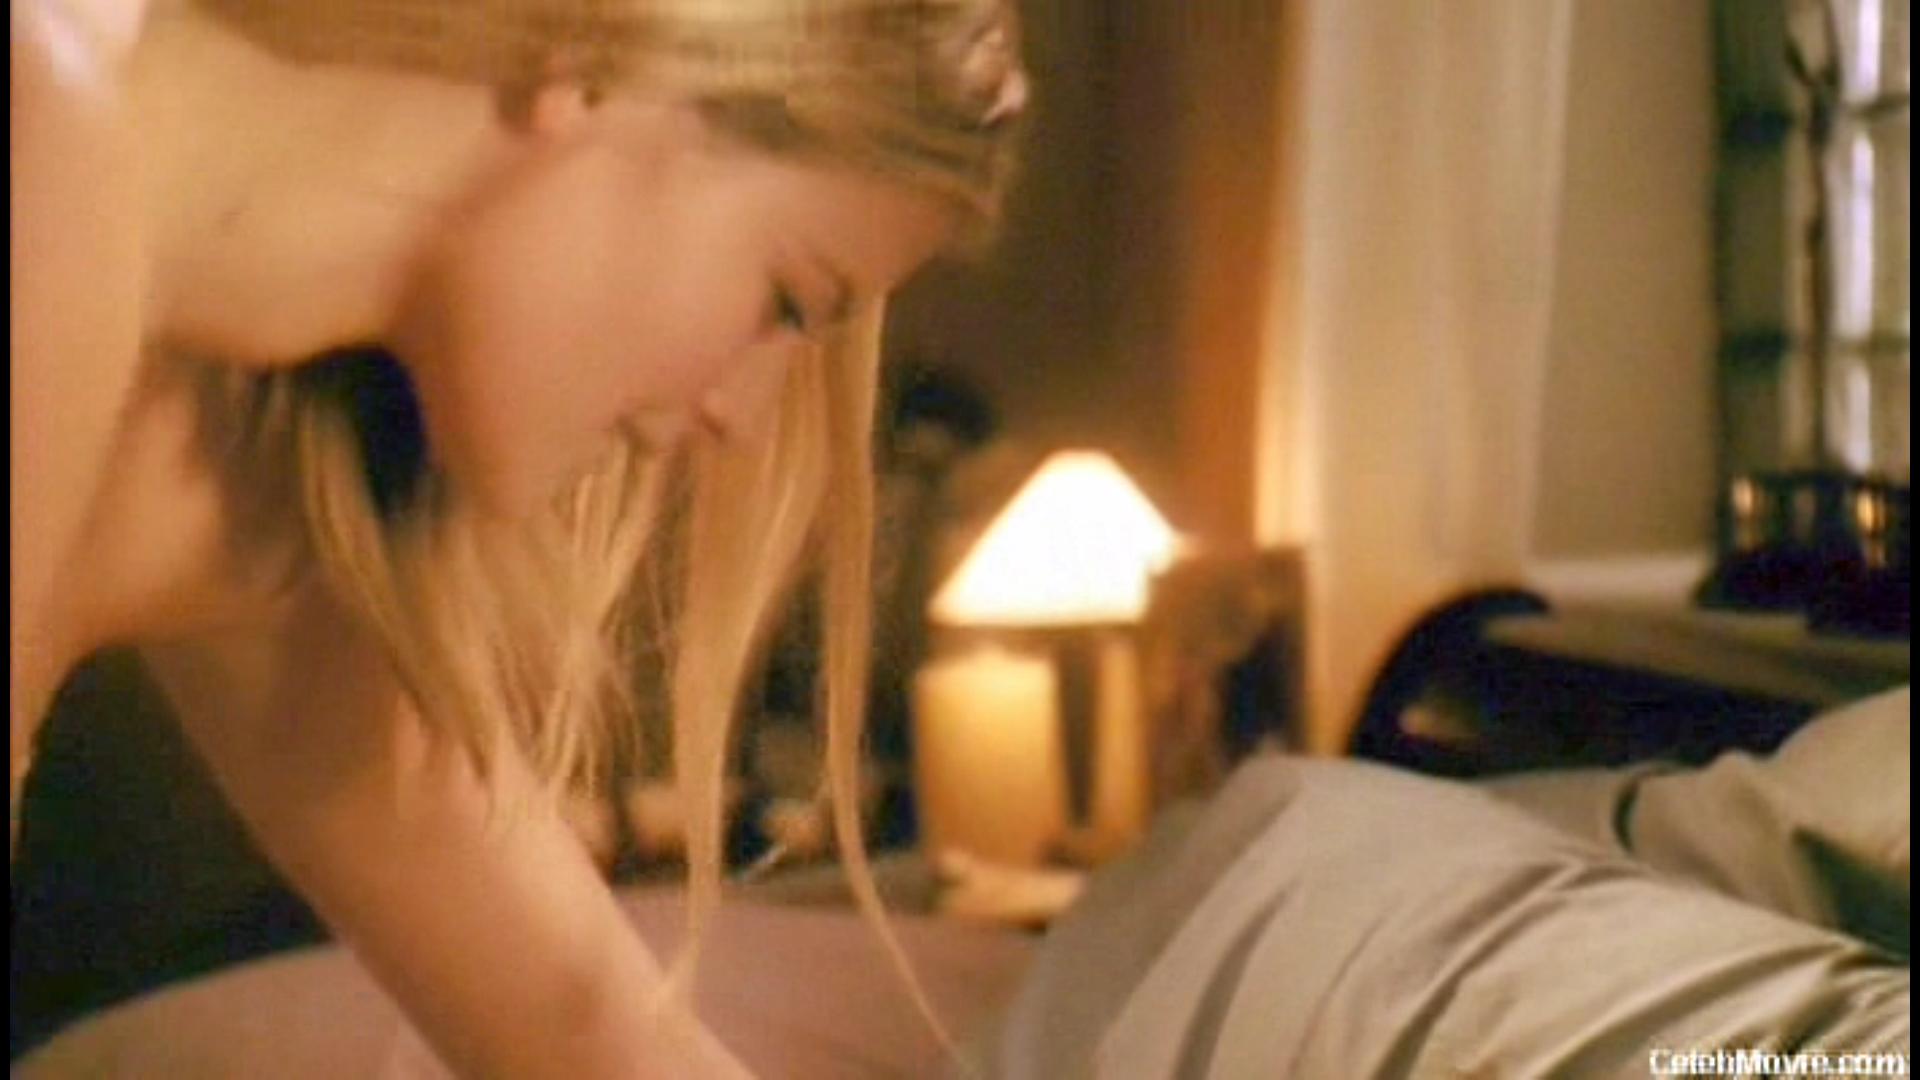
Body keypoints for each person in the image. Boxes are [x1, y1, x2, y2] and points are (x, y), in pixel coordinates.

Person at [11, 0, 1030, 1076]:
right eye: (788, 298)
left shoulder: (249, 489)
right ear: (603, 68)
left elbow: (577, 1018)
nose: (742, 417)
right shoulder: (42, 141)